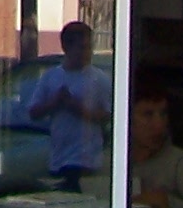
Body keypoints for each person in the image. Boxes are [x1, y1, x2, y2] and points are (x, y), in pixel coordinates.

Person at [26, 20, 116, 190]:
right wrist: (55, 103)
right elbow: (34, 112)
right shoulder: (51, 77)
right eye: (81, 48)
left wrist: (77, 107)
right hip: (58, 159)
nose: (87, 53)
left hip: (86, 161)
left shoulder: (99, 79)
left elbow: (109, 115)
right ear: (66, 47)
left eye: (89, 47)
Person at [127, 88, 183, 208]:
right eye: (148, 115)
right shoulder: (107, 159)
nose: (159, 125)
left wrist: (168, 202)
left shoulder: (179, 163)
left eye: (163, 114)